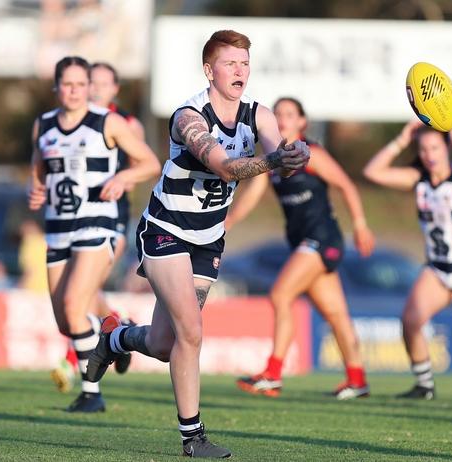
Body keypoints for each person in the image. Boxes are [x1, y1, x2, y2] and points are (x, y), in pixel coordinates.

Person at [86, 30, 310, 458]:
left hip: (208, 240)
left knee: (165, 345)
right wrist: (274, 162)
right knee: (192, 332)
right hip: (164, 229)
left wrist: (293, 156)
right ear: (209, 70)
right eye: (230, 63)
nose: (240, 70)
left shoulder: (258, 114)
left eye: (245, 63)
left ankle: (114, 339)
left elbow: (276, 151)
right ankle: (193, 438)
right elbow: (225, 168)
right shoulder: (189, 117)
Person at [28, 56, 160, 413]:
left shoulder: (109, 122)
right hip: (57, 230)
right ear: (56, 88)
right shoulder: (44, 125)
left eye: (80, 84)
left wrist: (122, 178)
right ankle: (115, 339)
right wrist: (37, 188)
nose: (73, 91)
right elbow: (39, 168)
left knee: (75, 306)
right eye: (66, 84)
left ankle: (92, 393)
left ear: (89, 87)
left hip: (97, 224)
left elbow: (150, 163)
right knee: (65, 321)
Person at [229, 97, 375, 400]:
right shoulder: (273, 160)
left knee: (280, 294)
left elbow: (347, 185)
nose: (282, 118)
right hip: (305, 243)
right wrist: (227, 221)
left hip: (322, 238)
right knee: (335, 314)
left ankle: (272, 374)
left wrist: (360, 225)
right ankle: (357, 380)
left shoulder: (313, 153)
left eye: (289, 114)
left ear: (302, 123)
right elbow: (252, 196)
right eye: (278, 113)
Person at [363, 119, 452, 399]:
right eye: (423, 149)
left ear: (446, 148)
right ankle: (425, 385)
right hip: (438, 271)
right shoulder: (419, 180)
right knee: (410, 320)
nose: (429, 155)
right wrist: (401, 139)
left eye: (435, 147)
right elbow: (372, 172)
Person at [50, 62, 145, 394]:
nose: (97, 89)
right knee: (85, 293)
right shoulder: (70, 121)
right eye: (94, 83)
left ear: (115, 89)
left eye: (104, 83)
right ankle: (117, 327)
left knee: (82, 292)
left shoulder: (125, 123)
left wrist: (119, 180)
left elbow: (142, 164)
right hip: (70, 222)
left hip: (110, 217)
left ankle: (74, 362)